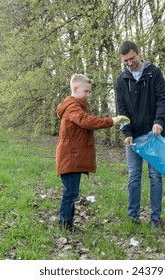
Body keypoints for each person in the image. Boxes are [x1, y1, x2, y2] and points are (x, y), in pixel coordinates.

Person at [56, 74, 129, 232]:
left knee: (71, 192)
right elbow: (86, 121)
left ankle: (66, 224)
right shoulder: (72, 106)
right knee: (70, 193)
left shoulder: (77, 105)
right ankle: (64, 225)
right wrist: (112, 120)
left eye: (89, 92)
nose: (89, 94)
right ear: (75, 88)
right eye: (86, 91)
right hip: (70, 157)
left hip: (72, 157)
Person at [116, 41, 165, 228]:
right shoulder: (121, 80)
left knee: (155, 177)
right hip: (133, 139)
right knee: (134, 177)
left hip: (153, 135)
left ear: (139, 53)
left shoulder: (153, 73)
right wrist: (127, 132)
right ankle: (133, 218)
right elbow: (121, 110)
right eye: (125, 61)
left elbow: (164, 99)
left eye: (132, 58)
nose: (129, 63)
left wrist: (159, 121)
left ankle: (155, 219)